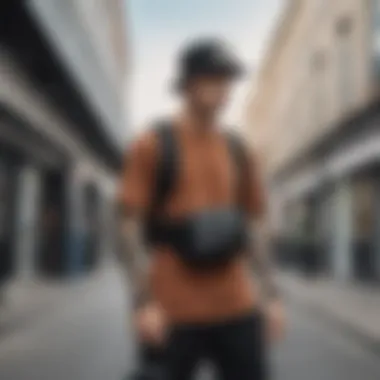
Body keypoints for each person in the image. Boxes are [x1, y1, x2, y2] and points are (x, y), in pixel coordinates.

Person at [118, 37, 285, 380]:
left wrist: (271, 296)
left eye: (229, 80)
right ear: (188, 84)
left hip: (236, 306)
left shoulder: (240, 150)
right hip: (171, 311)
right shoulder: (152, 144)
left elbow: (254, 225)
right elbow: (127, 225)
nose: (226, 88)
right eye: (215, 78)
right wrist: (142, 303)